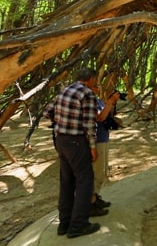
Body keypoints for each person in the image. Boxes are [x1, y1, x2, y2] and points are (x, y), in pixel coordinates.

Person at [43, 67, 108, 239]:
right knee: (85, 181)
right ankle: (78, 224)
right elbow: (89, 123)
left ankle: (64, 223)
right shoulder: (87, 94)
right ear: (91, 80)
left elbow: (46, 112)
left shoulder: (65, 90)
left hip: (61, 141)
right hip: (76, 141)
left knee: (67, 182)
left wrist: (63, 122)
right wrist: (93, 147)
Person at [92, 89, 120, 210]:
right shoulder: (90, 102)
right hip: (97, 140)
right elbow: (100, 117)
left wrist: (112, 104)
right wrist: (109, 102)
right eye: (94, 85)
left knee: (102, 171)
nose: (97, 88)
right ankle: (91, 202)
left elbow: (108, 115)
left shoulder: (99, 101)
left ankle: (96, 197)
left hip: (104, 138)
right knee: (97, 171)